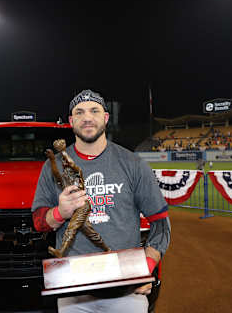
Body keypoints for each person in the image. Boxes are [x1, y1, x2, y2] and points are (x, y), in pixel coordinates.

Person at [32, 90, 171, 313]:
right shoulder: (52, 167)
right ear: (71, 121)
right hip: (73, 291)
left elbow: (161, 224)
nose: (87, 117)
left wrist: (145, 269)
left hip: (126, 290)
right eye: (80, 112)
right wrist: (60, 212)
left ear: (106, 118)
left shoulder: (133, 164)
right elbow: (38, 222)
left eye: (94, 111)